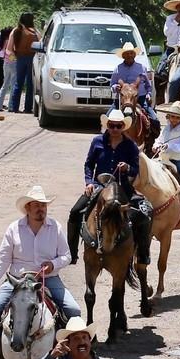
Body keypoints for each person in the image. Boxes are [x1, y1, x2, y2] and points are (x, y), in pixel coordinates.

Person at [0, 185, 81, 359]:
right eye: (37, 206)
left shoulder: (55, 227)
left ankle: (70, 358)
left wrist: (53, 264)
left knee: (74, 311)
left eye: (43, 205)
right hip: (18, 281)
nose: (41, 209)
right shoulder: (13, 229)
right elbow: (3, 260)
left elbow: (66, 255)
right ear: (28, 208)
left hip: (47, 279)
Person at [66, 108, 153, 269]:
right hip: (99, 187)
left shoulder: (130, 146)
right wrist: (89, 183)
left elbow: (135, 169)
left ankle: (143, 254)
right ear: (107, 126)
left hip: (123, 189)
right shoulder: (97, 142)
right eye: (111, 126)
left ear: (122, 127)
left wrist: (127, 168)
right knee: (75, 212)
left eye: (118, 126)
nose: (114, 129)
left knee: (144, 214)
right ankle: (71, 253)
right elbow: (89, 164)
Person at [9, 12, 39, 115]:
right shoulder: (35, 32)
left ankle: (15, 107)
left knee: (18, 83)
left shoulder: (15, 31)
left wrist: (14, 58)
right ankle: (27, 108)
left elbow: (9, 49)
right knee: (30, 84)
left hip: (20, 58)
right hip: (32, 59)